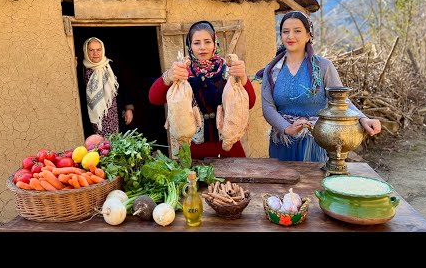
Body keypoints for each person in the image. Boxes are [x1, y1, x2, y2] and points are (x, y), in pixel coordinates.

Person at [259, 11, 381, 162]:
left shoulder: (323, 67)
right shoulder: (272, 70)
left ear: (309, 35)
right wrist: (287, 128)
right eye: (285, 32)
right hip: (283, 142)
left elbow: (340, 102)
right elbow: (268, 107)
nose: (290, 36)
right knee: (283, 184)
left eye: (297, 31)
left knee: (315, 183)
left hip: (317, 141)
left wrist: (363, 118)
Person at [149, 20, 256, 159]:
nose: (202, 47)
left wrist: (242, 77)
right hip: (194, 152)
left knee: (233, 181)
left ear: (214, 43)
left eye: (207, 42)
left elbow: (251, 102)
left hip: (229, 148)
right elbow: (154, 98)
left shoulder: (229, 71)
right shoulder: (181, 73)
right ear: (190, 45)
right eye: (196, 43)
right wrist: (168, 76)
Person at [80, 37, 134, 137]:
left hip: (115, 113)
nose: (95, 53)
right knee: (97, 144)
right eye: (91, 50)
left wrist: (128, 109)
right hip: (94, 115)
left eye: (98, 50)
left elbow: (123, 87)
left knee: (118, 142)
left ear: (103, 50)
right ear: (86, 51)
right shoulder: (82, 69)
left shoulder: (111, 67)